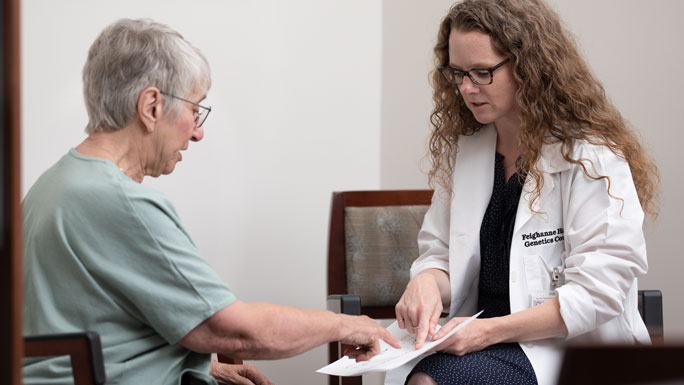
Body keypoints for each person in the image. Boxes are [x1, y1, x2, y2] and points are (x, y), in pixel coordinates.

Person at [22, 18, 400, 385]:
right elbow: (231, 330)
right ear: (152, 106)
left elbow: (92, 326)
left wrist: (209, 369)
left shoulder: (51, 187)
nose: (198, 132)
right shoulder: (121, 203)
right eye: (194, 109)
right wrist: (345, 324)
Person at [389, 0, 660, 384]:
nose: (467, 88)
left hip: (557, 344)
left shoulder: (589, 156)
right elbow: (442, 254)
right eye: (457, 72)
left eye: (482, 72)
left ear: (529, 66)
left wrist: (487, 332)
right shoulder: (467, 152)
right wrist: (427, 282)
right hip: (472, 336)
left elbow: (598, 293)